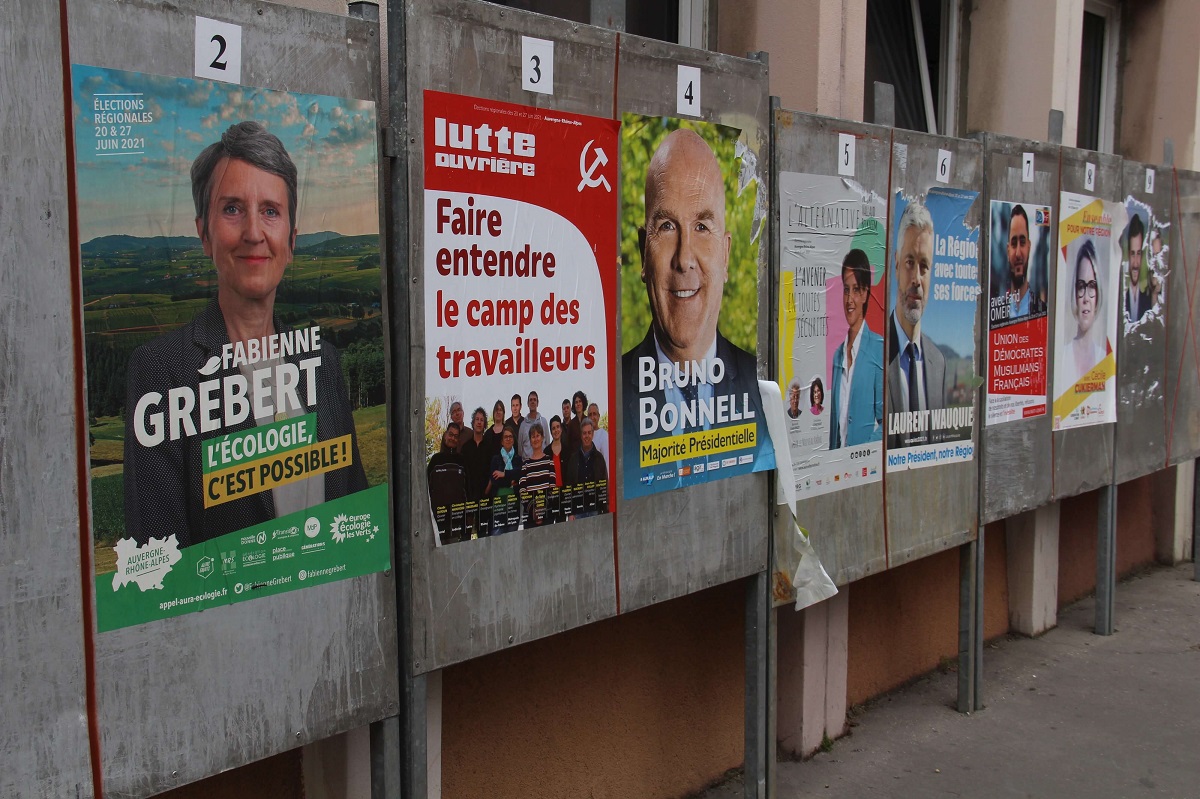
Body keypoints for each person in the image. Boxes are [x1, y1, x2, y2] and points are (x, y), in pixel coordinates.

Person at [124, 121, 366, 549]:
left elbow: (354, 519)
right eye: (232, 208)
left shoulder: (323, 363)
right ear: (204, 233)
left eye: (270, 211)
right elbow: (159, 569)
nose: (254, 233)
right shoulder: (161, 372)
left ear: (291, 241)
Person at [620, 128, 767, 478]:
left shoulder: (761, 390)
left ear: (727, 254)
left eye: (702, 226)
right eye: (668, 226)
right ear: (644, 252)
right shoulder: (609, 397)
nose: (684, 258)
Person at [886, 200, 946, 450]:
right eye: (910, 263)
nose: (917, 280)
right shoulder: (874, 354)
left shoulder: (938, 362)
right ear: (897, 264)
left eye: (924, 266)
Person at [829, 249, 884, 449]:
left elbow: (886, 424)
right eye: (846, 289)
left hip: (863, 469)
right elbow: (835, 428)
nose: (849, 299)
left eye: (856, 290)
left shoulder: (879, 348)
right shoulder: (837, 356)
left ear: (865, 294)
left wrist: (861, 453)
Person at [1066, 239, 1108, 387]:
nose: (1085, 298)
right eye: (1081, 286)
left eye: (1091, 286)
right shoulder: (1063, 357)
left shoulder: (1104, 359)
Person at [1003, 204, 1046, 319]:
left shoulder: (1042, 313)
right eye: (1013, 243)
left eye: (1022, 243)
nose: (1018, 253)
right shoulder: (995, 314)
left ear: (1029, 246)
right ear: (1008, 251)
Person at [564, 418, 607, 517]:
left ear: (592, 434)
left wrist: (604, 509)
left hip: (595, 511)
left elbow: (604, 485)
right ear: (580, 435)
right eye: (584, 433)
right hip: (578, 512)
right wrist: (570, 513)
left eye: (589, 433)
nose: (586, 436)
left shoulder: (599, 458)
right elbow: (568, 486)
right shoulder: (573, 459)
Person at [519, 424, 556, 527]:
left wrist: (541, 510)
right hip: (530, 518)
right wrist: (533, 511)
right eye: (533, 436)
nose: (535, 439)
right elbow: (523, 492)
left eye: (538, 435)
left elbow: (552, 489)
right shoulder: (525, 464)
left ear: (543, 438)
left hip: (547, 516)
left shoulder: (549, 461)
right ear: (530, 440)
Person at [1125, 214, 1156, 325]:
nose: (1136, 263)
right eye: (1133, 254)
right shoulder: (1120, 298)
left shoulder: (1148, 299)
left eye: (1138, 254)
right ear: (1128, 254)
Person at [459, 407, 491, 499]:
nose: (479, 422)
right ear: (473, 423)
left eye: (482, 420)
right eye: (477, 419)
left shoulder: (489, 447)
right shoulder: (466, 448)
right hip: (469, 495)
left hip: (486, 495)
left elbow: (492, 470)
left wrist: (488, 489)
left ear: (484, 424)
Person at [486, 425, 522, 499]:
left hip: (515, 499)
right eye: (505, 437)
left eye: (510, 436)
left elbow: (519, 474)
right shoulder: (496, 459)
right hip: (498, 498)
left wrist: (504, 474)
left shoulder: (518, 459)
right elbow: (494, 480)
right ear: (502, 441)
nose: (508, 439)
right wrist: (510, 482)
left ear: (513, 440)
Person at [517, 390, 551, 460]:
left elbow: (547, 444)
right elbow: (520, 450)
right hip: (527, 464)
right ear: (528, 403)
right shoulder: (523, 425)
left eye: (534, 400)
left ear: (537, 403)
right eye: (530, 400)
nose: (532, 402)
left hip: (542, 462)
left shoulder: (543, 422)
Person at [548, 415, 565, 486]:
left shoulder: (568, 450)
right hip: (551, 494)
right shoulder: (546, 452)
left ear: (561, 429)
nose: (556, 430)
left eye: (558, 427)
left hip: (565, 493)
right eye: (553, 428)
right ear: (551, 432)